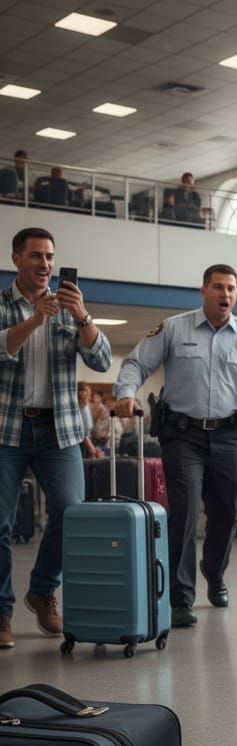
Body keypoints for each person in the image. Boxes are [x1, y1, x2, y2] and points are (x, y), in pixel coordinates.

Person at [114, 264, 237, 628]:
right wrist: (126, 393)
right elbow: (135, 363)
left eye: (232, 289)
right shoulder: (175, 328)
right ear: (204, 290)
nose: (226, 295)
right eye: (219, 287)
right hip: (182, 435)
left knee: (228, 512)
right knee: (186, 510)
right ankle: (181, 597)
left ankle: (215, 571)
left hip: (227, 437)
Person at [0, 226, 112, 648]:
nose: (45, 264)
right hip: (7, 426)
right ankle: (1, 611)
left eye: (49, 256)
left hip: (59, 428)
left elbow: (101, 360)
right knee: (1, 524)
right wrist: (35, 320)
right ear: (16, 260)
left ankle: (43, 591)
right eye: (35, 256)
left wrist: (81, 315)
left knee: (71, 512)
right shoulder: (3, 305)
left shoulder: (70, 306)